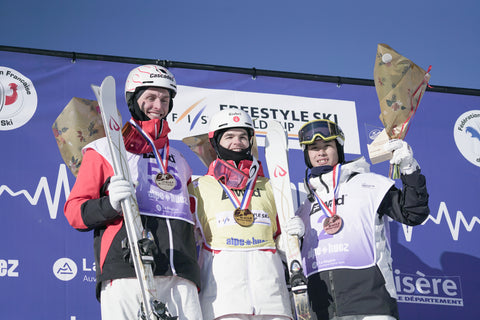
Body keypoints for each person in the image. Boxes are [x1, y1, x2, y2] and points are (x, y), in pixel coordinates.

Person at [64, 65, 202, 320]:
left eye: (164, 99)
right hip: (128, 269)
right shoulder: (104, 150)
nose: (158, 106)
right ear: (133, 100)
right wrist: (110, 204)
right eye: (150, 98)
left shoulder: (180, 160)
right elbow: (74, 212)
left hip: (180, 274)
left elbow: (193, 219)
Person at [286, 119, 429, 320]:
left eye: (327, 146)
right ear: (307, 155)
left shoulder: (370, 184)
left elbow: (413, 214)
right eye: (314, 148)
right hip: (322, 311)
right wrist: (293, 243)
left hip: (372, 306)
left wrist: (409, 169)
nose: (321, 153)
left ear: (339, 148)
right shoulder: (304, 208)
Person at [188, 108, 293, 320]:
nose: (237, 142)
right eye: (229, 136)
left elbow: (281, 238)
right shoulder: (199, 187)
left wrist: (291, 239)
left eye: (243, 136)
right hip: (223, 302)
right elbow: (188, 240)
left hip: (272, 301)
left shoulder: (272, 186)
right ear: (215, 142)